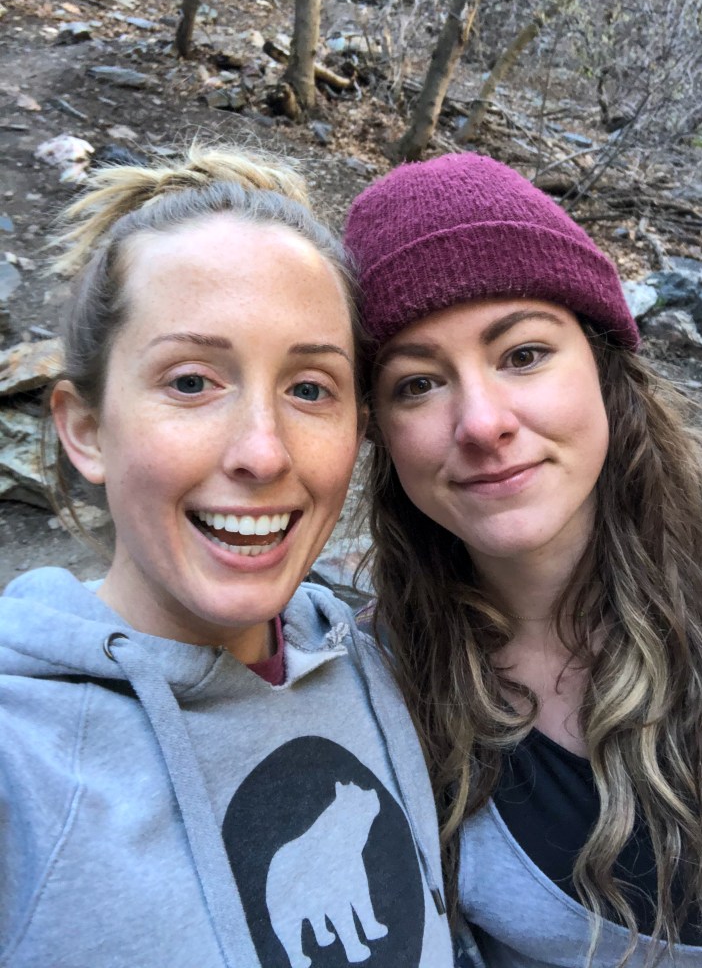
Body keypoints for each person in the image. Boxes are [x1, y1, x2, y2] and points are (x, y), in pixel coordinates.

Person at [0, 146, 454, 968]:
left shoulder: (385, 668)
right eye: (191, 382)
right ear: (86, 429)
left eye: (309, 388)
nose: (261, 451)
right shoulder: (19, 752)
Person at [343, 152, 702, 968]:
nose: (481, 422)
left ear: (604, 366)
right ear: (379, 433)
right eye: (416, 384)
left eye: (523, 354)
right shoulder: (377, 685)